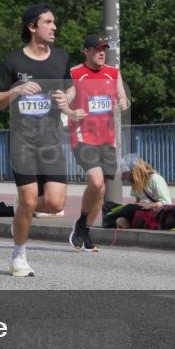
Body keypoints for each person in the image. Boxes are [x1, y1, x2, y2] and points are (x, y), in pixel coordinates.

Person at [0, 4, 72, 277]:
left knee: (56, 203)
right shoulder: (14, 62)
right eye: (48, 22)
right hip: (23, 141)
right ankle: (18, 256)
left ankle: (22, 209)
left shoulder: (60, 57)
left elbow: (70, 88)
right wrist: (17, 89)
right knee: (29, 197)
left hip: (51, 140)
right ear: (32, 27)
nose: (54, 27)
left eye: (54, 22)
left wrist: (66, 98)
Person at [62, 34, 129, 252]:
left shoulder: (113, 73)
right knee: (96, 180)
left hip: (107, 139)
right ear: (86, 51)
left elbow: (122, 96)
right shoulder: (74, 73)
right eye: (97, 49)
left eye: (104, 50)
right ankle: (82, 222)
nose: (101, 53)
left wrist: (124, 101)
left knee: (101, 189)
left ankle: (85, 229)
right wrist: (70, 111)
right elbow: (64, 100)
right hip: (83, 137)